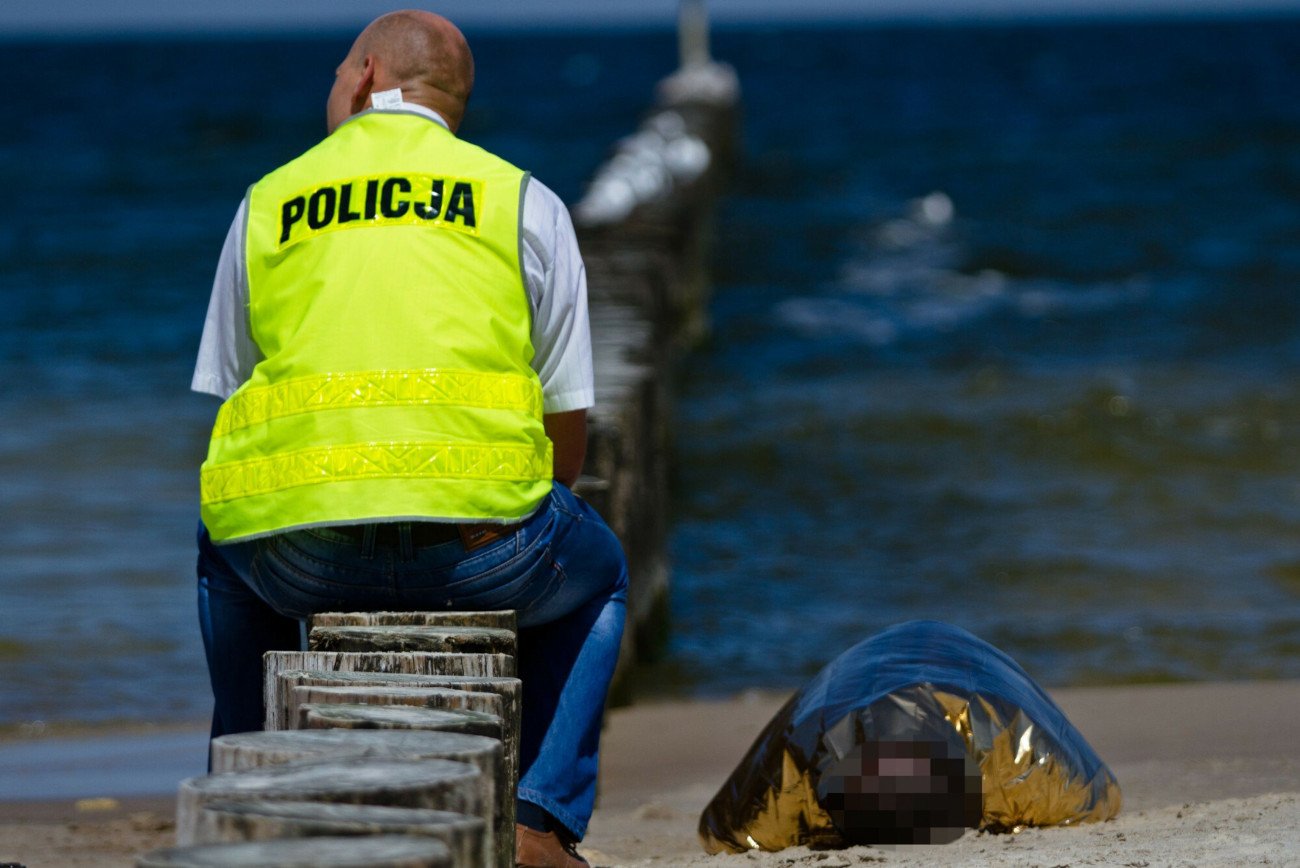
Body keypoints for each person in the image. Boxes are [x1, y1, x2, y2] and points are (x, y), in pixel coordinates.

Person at [190, 10, 627, 866]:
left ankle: (247, 790)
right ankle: (539, 819)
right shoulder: (519, 200)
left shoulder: (270, 200)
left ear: (361, 79)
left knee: (222, 541)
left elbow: (234, 393)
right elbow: (567, 427)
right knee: (601, 573)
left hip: (301, 564)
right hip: (480, 556)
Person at [698, 620, 1121, 852]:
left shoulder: (1012, 753)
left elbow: (719, 829)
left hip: (941, 675)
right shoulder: (1028, 770)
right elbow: (1100, 793)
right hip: (886, 694)